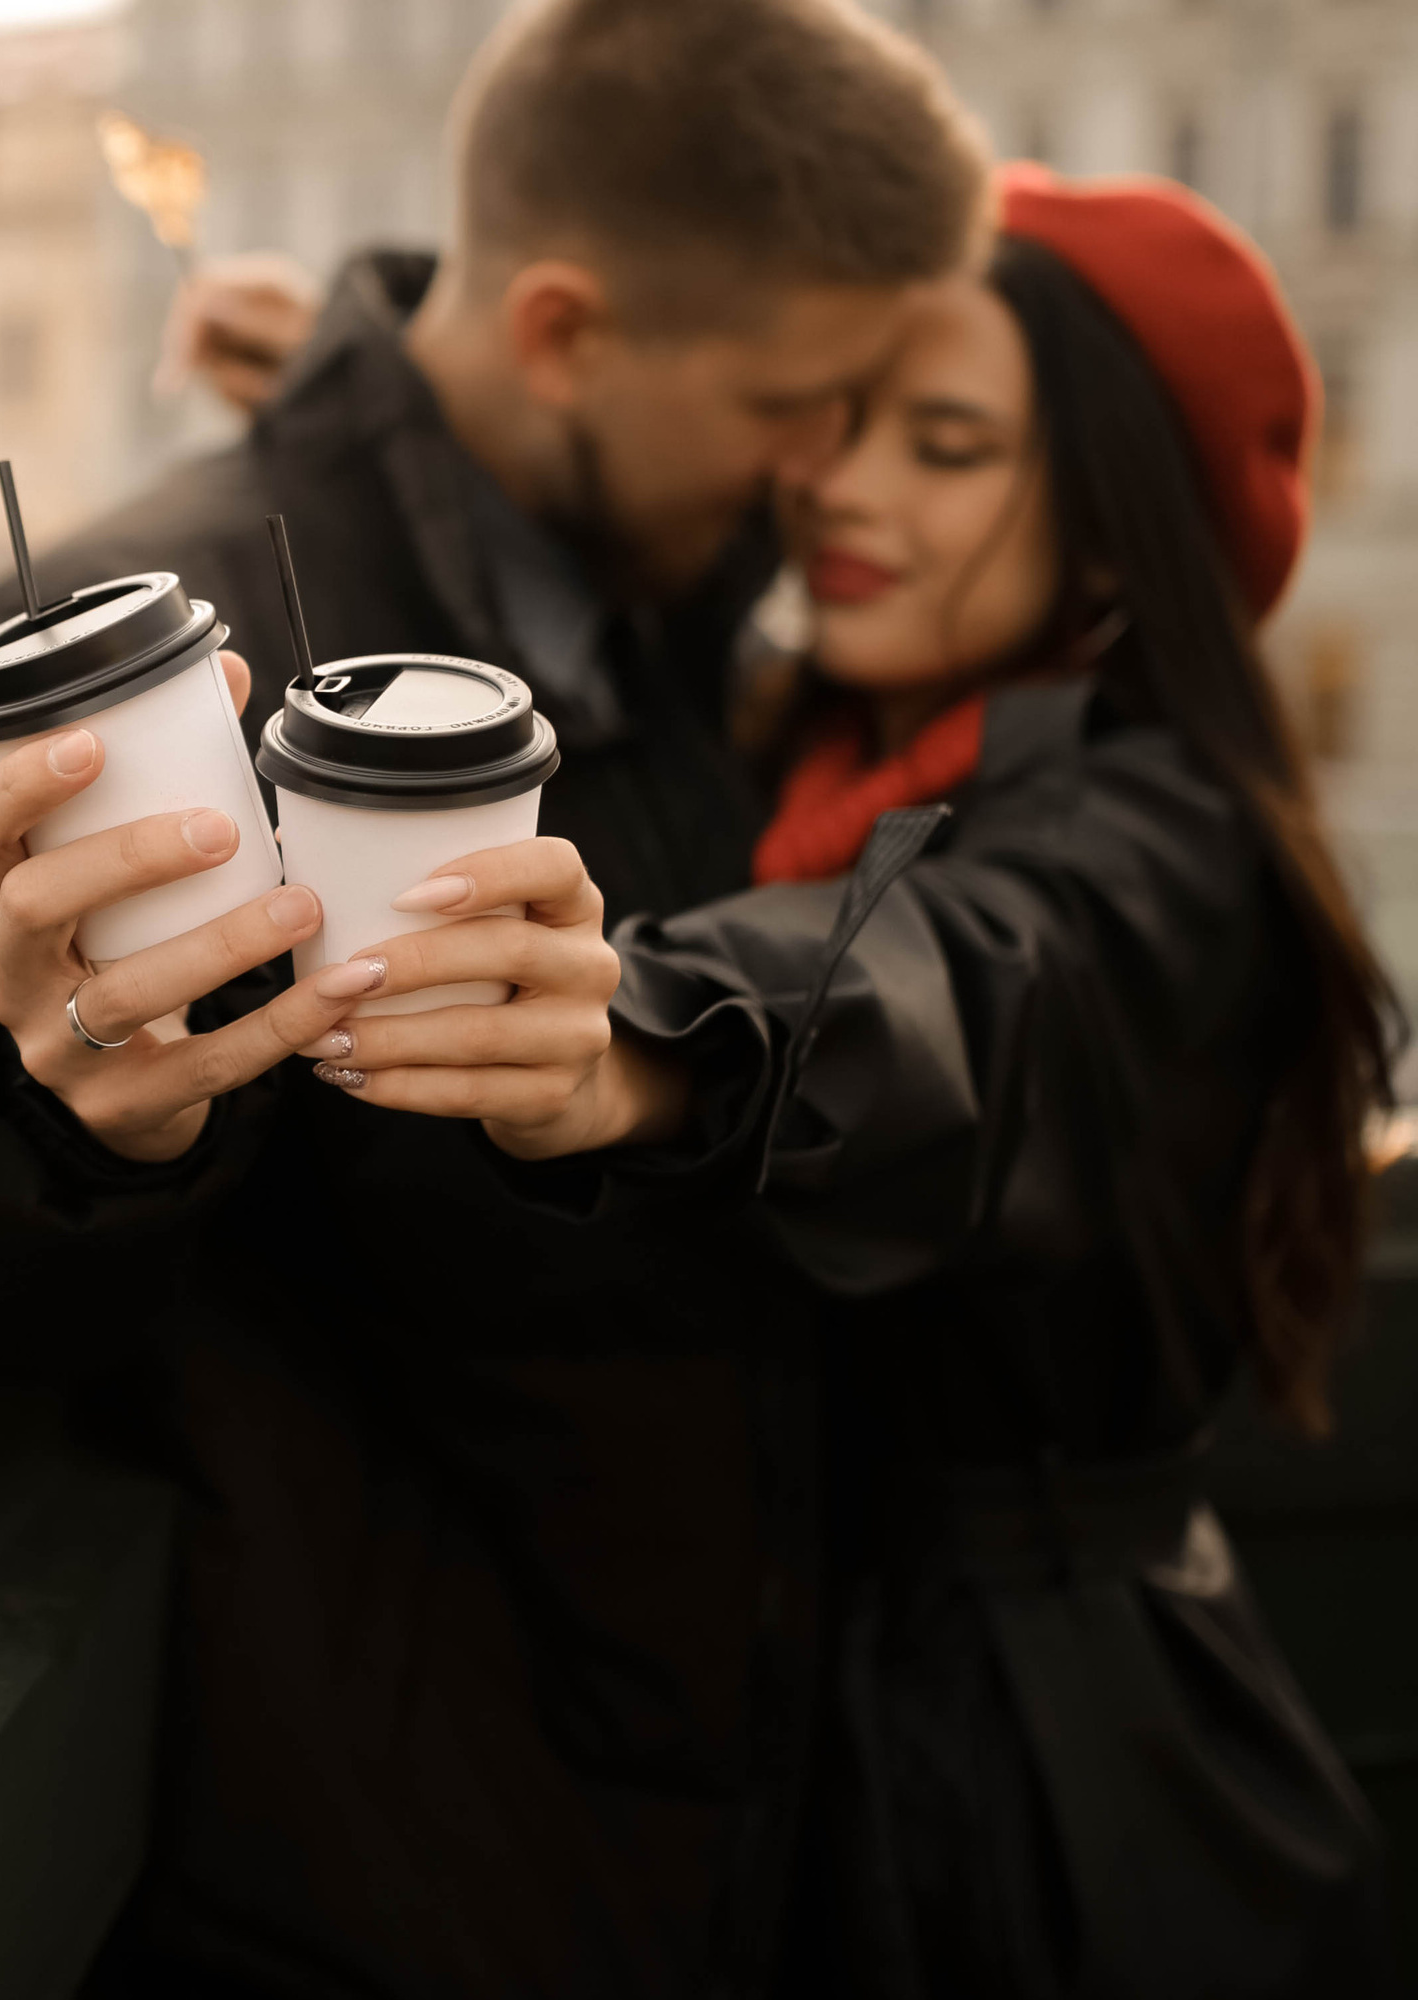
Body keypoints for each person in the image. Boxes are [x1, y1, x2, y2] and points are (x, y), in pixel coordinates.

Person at [0, 0, 990, 1996]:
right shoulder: (164, 619)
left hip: (688, 1872)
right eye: (790, 401)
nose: (821, 466)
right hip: (379, 1914)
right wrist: (22, 1070)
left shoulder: (674, 610)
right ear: (565, 331)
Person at [311, 170, 1402, 1994]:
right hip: (829, 1754)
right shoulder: (821, 742)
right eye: (839, 425)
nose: (844, 486)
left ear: (1125, 538)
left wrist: (643, 1033)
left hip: (1045, 1814)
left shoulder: (1157, 828)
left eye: (949, 444)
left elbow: (955, 989)